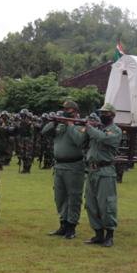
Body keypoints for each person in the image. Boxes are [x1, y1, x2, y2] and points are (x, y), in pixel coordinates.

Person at [43, 100, 88, 239]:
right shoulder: (59, 124)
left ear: (74, 111)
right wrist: (56, 122)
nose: (64, 111)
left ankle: (71, 226)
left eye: (67, 110)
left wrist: (70, 124)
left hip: (74, 166)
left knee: (73, 197)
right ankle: (63, 224)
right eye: (64, 109)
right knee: (60, 196)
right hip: (59, 166)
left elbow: (80, 140)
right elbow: (44, 132)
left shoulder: (80, 125)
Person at [83, 104, 122, 247]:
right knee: (91, 204)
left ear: (112, 115)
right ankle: (98, 234)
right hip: (92, 170)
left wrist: (90, 128)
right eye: (101, 113)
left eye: (105, 113)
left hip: (105, 171)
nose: (102, 115)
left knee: (106, 204)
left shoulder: (115, 130)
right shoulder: (97, 129)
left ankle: (109, 235)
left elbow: (104, 139)